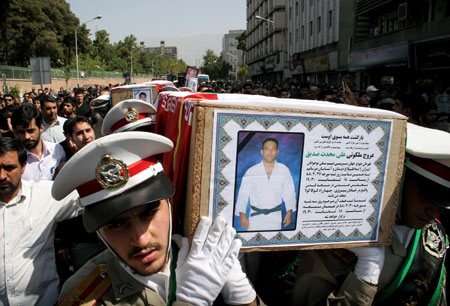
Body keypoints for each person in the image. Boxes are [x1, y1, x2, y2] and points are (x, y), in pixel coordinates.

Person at [55, 132, 258, 305]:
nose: (141, 239)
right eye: (116, 224)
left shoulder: (208, 259)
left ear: (169, 204)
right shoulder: (86, 295)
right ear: (100, 234)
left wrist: (243, 297)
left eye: (148, 213)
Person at [292, 123, 450, 306]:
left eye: (443, 204)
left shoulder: (434, 234)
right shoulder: (342, 235)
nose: (434, 211)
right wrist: (368, 268)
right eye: (428, 196)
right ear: (399, 177)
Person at [0, 137, 80, 305]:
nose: (2, 176)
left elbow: (87, 198)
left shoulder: (46, 195)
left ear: (23, 167)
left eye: (9, 168)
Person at [235, 137, 297, 231]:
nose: (270, 152)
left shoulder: (284, 170)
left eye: (273, 149)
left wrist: (289, 212)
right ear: (262, 151)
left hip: (275, 216)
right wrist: (242, 216)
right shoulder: (252, 171)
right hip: (256, 217)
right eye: (267, 149)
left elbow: (289, 192)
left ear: (277, 152)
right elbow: (243, 194)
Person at [11, 103, 65, 181]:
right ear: (15, 132)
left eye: (31, 131)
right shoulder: (14, 158)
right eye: (21, 132)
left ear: (41, 128)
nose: (27, 137)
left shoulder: (57, 150)